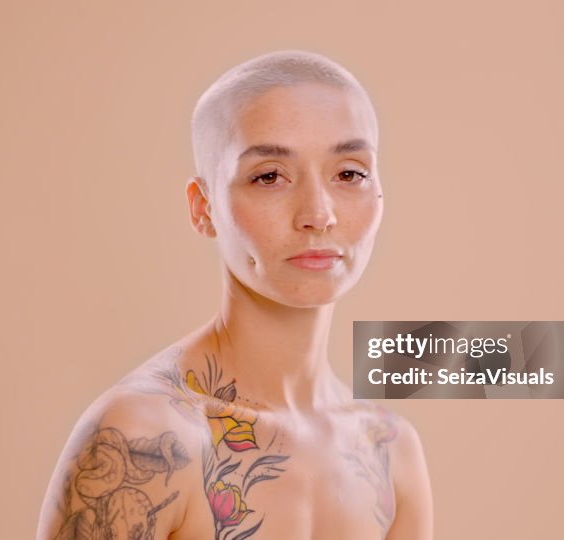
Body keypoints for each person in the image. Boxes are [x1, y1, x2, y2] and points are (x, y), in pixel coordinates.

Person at [36, 50, 433, 540]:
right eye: (269, 176)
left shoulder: (390, 449)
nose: (318, 213)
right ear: (203, 208)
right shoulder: (146, 440)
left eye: (349, 173)